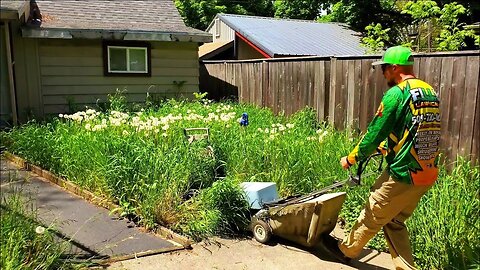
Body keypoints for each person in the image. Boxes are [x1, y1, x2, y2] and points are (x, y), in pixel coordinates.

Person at [323, 46, 441, 270]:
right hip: (427, 171)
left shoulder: (397, 93)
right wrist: (387, 147)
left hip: (404, 172)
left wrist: (351, 158)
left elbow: (374, 132)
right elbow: (416, 128)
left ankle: (345, 251)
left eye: (384, 69)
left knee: (374, 210)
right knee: (394, 221)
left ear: (395, 68)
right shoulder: (428, 91)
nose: (383, 74)